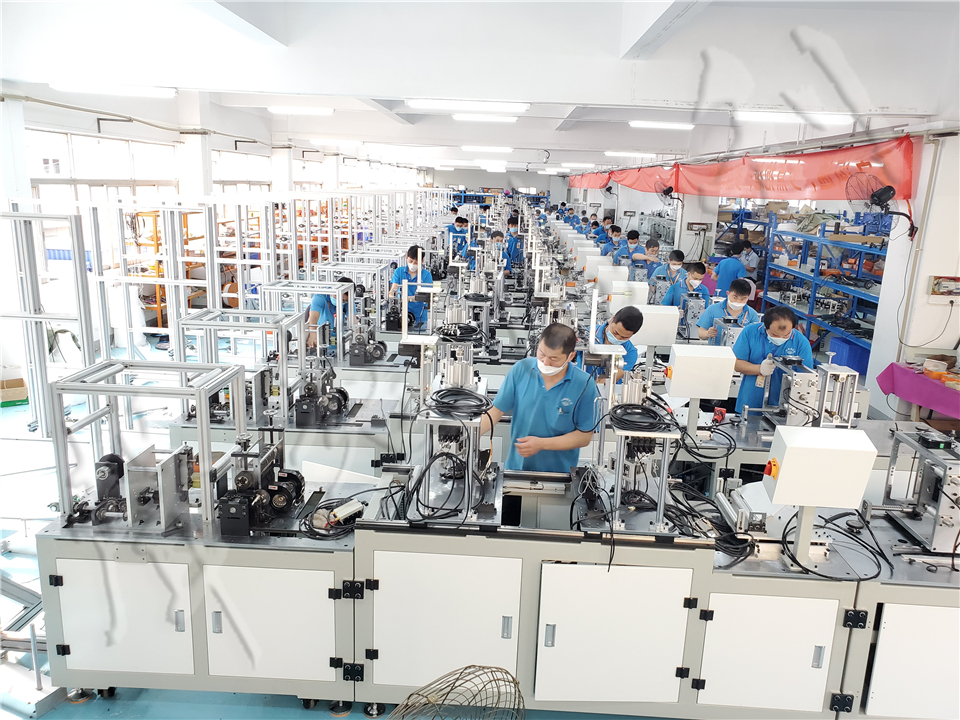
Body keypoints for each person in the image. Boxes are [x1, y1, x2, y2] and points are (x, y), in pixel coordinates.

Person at [479, 323, 598, 473]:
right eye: (541, 353)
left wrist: (541, 444)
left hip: (560, 476)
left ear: (571, 356)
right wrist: (469, 435)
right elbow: (496, 411)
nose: (545, 362)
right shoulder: (521, 369)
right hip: (517, 471)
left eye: (554, 358)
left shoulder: (584, 384)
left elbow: (584, 436)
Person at [732, 306, 813, 413]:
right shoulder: (750, 332)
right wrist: (760, 369)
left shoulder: (801, 342)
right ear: (765, 326)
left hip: (783, 405)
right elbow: (736, 364)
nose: (780, 338)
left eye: (786, 335)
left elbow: (806, 377)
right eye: (774, 335)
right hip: (751, 400)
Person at [589, 306, 643, 384]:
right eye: (615, 332)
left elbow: (606, 381)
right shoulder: (588, 335)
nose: (617, 338)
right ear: (611, 320)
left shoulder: (630, 353)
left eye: (624, 337)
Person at [696, 278, 759, 344]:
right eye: (735, 297)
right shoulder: (713, 309)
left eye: (743, 299)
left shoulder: (752, 314)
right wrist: (707, 333)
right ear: (728, 293)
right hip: (717, 349)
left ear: (748, 297)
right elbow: (700, 332)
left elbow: (755, 338)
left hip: (740, 350)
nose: (738, 301)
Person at [389, 245, 434, 326]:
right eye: (411, 261)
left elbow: (425, 296)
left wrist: (407, 298)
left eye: (416, 262)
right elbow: (394, 288)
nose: (413, 264)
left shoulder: (426, 275)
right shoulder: (399, 271)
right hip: (401, 315)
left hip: (419, 317)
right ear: (406, 257)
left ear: (422, 261)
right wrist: (392, 296)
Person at [307, 276, 355, 350]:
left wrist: (358, 335)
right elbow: (313, 317)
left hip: (338, 342)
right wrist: (312, 333)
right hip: (320, 341)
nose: (339, 301)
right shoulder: (320, 296)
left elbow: (353, 320)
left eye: (343, 300)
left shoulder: (348, 300)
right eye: (336, 297)